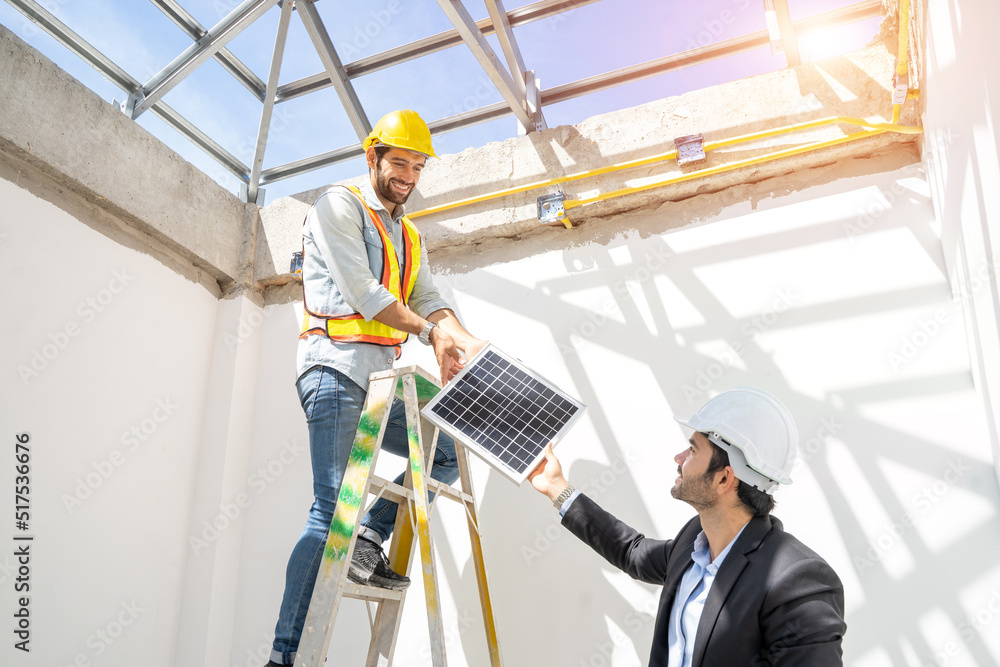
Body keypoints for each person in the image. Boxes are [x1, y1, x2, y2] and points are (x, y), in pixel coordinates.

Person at [266, 110, 487, 667]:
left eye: (417, 166)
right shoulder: (338, 206)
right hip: (334, 372)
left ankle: (369, 538)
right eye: (399, 163)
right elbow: (366, 294)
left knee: (443, 454)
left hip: (384, 387)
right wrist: (430, 331)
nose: (408, 175)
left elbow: (431, 297)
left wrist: (466, 342)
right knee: (330, 512)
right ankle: (283, 658)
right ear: (373, 158)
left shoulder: (410, 235)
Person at [529, 386, 847, 666]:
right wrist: (558, 489)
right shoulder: (694, 539)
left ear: (724, 478)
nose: (678, 457)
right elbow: (632, 552)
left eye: (692, 449)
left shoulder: (799, 582)